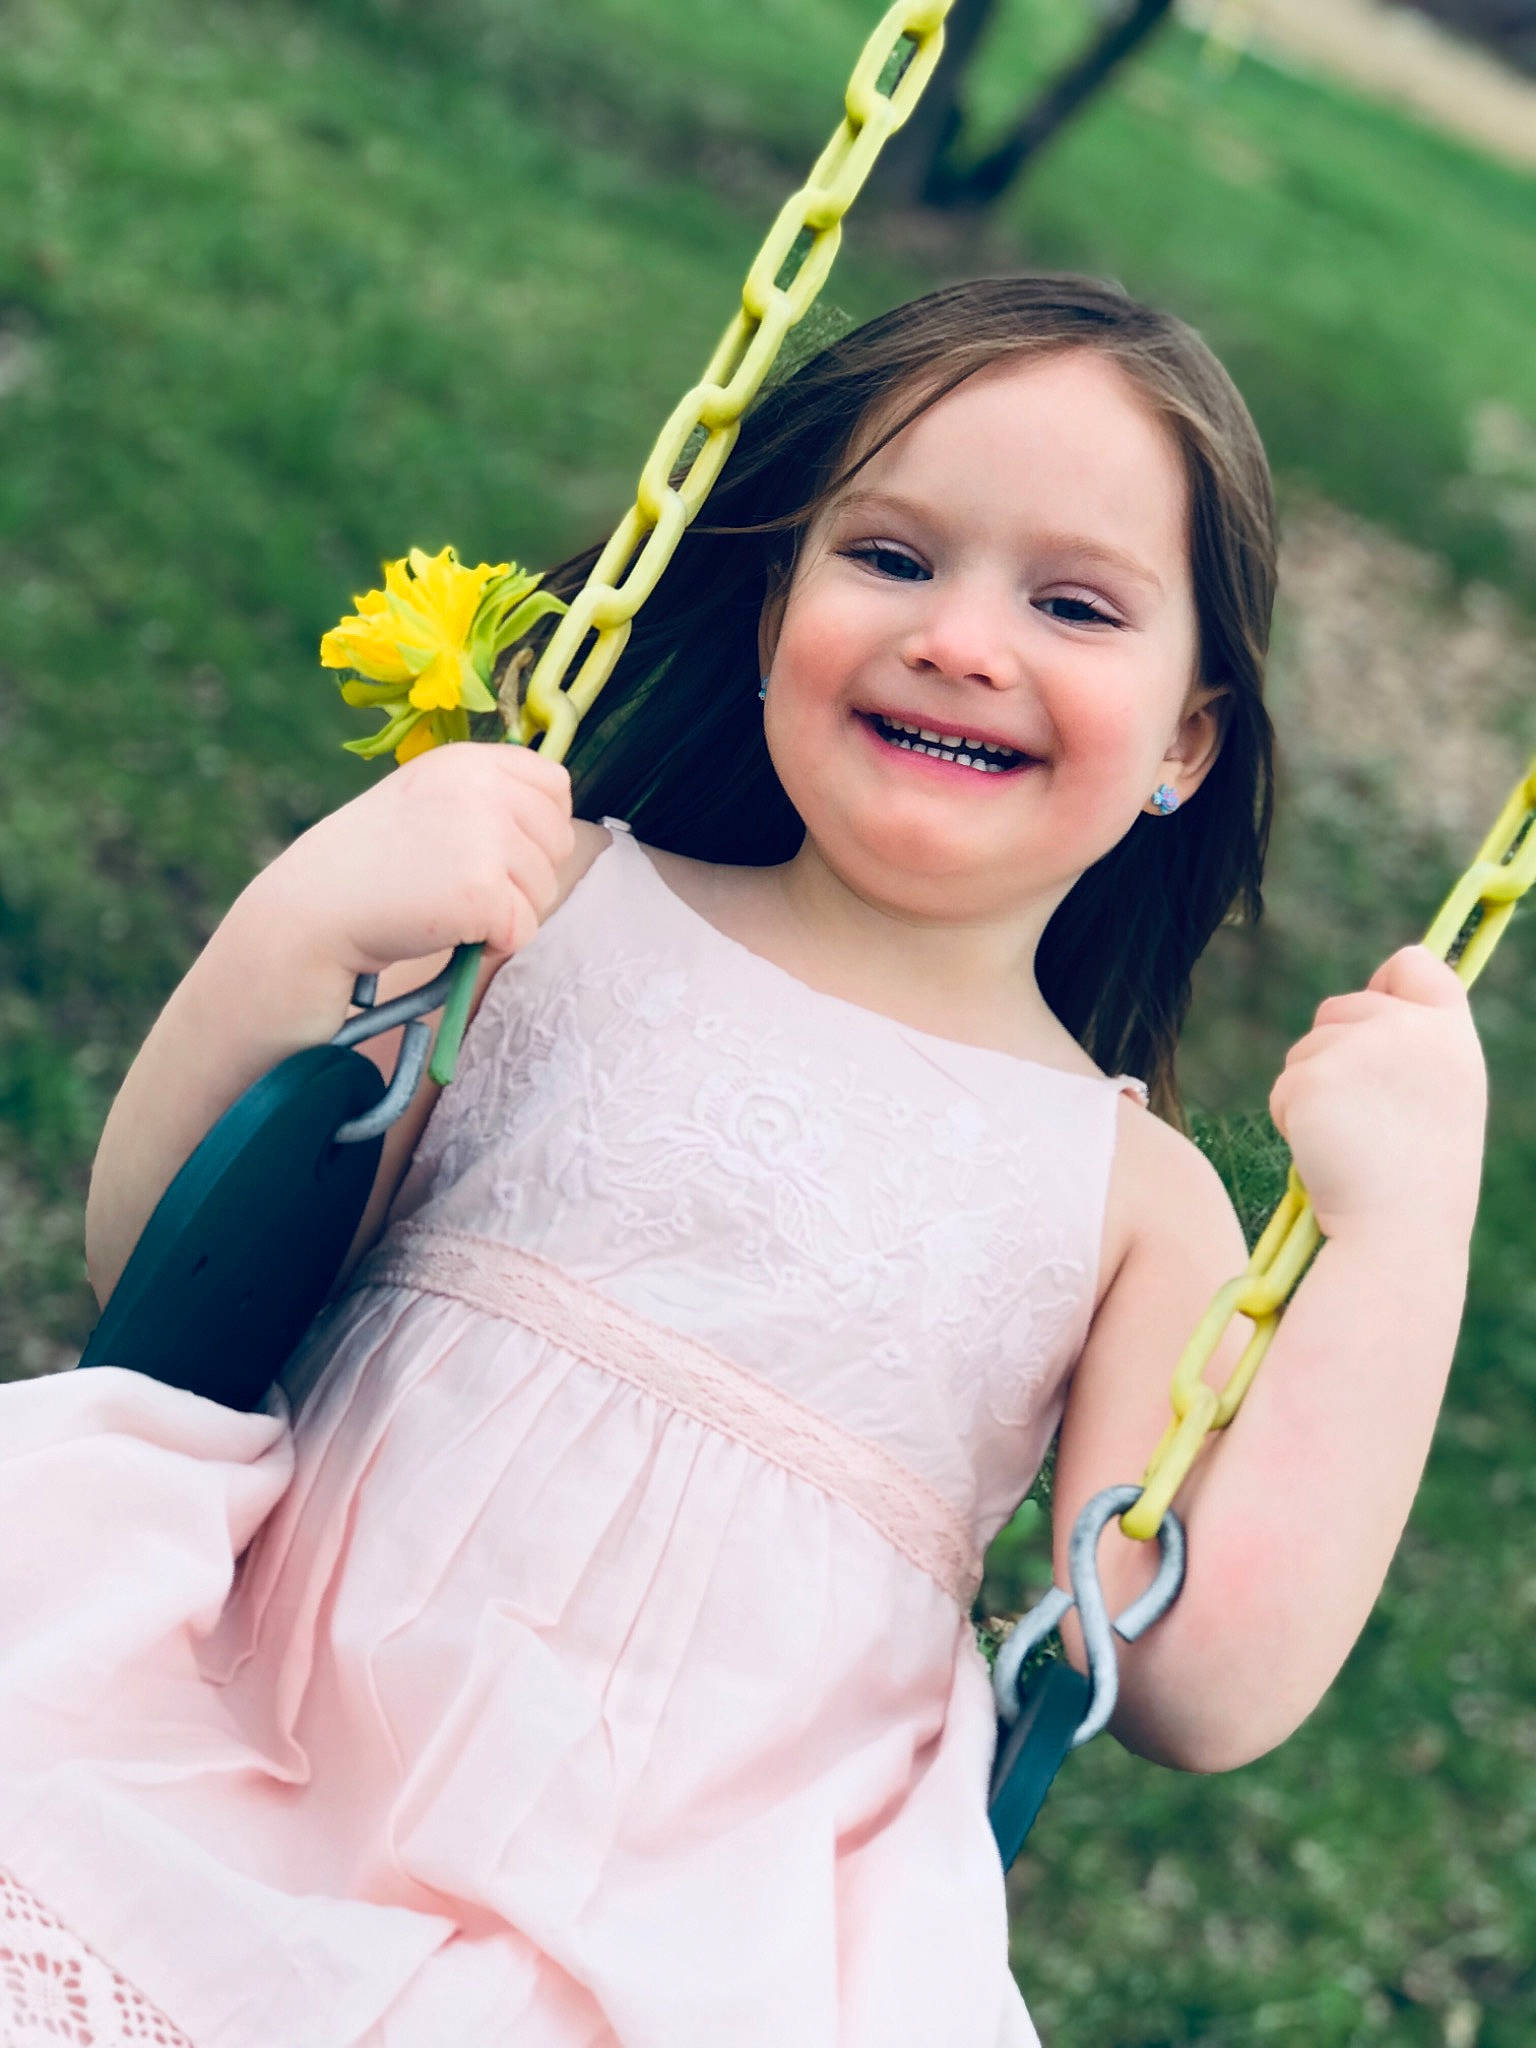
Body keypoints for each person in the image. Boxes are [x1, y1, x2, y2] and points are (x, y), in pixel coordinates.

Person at [1, 276, 1486, 2047]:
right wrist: (306, 916)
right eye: (892, 556)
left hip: (685, 1930)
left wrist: (1402, 1232)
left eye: (1074, 602)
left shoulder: (1129, 1200)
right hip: (249, 1734)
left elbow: (1193, 1674)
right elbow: (157, 1261)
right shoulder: (547, 909)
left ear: (1185, 740)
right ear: (776, 592)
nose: (961, 636)